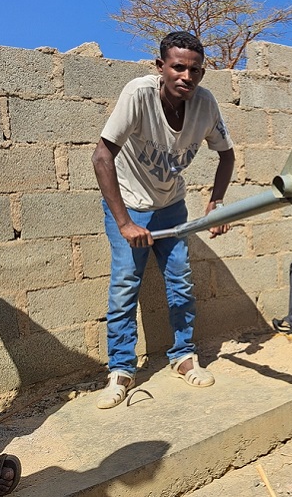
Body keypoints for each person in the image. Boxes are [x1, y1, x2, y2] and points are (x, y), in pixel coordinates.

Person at [91, 31, 235, 409]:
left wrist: (216, 203)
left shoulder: (205, 104)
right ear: (161, 67)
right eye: (178, 67)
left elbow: (227, 155)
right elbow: (101, 157)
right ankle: (121, 370)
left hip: (171, 205)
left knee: (181, 283)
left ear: (201, 74)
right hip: (129, 204)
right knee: (125, 286)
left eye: (194, 70)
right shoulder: (138, 94)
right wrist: (125, 223)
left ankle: (183, 356)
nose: (186, 76)